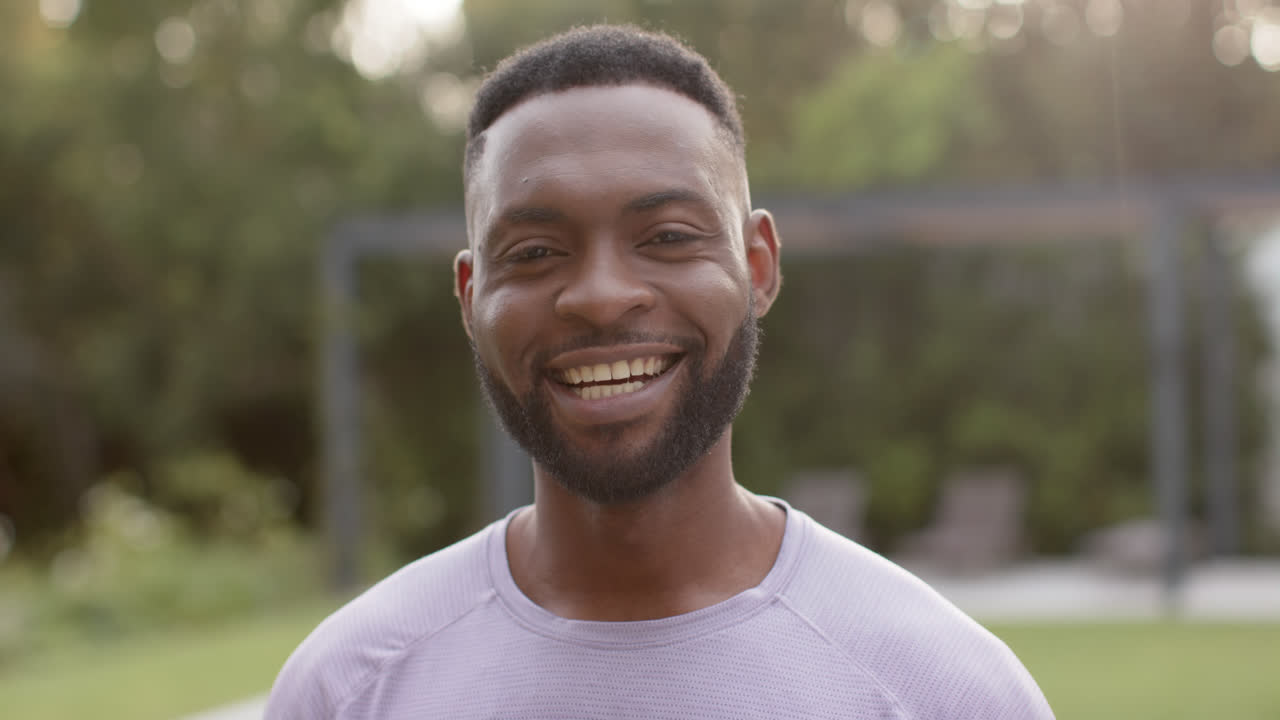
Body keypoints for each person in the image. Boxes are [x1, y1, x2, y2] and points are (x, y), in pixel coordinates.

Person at [266, 25, 1054, 719]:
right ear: (472, 297)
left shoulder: (945, 692)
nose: (602, 296)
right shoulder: (347, 691)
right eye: (535, 251)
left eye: (669, 236)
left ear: (757, 266)